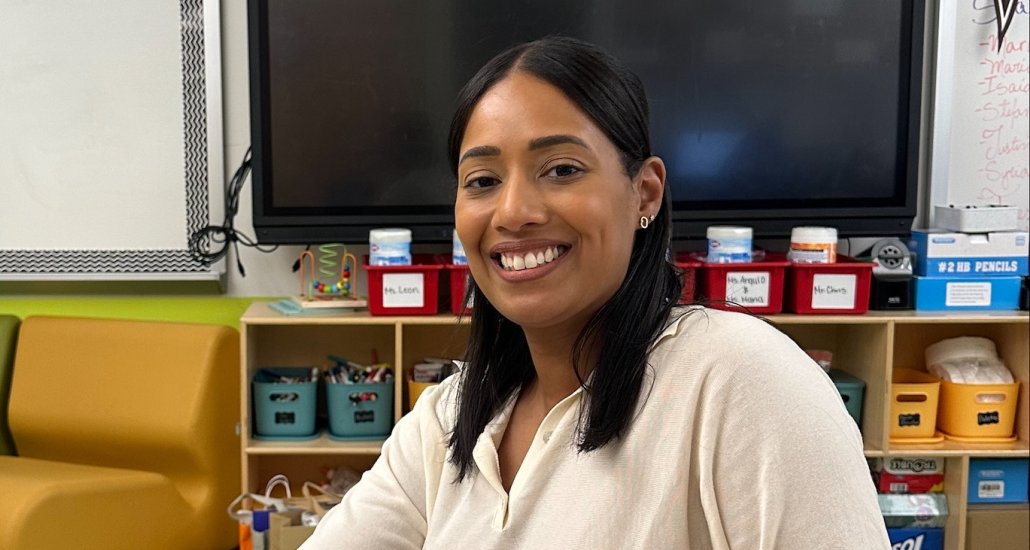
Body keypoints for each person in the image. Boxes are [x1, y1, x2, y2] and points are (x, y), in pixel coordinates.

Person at [302, 37, 887, 548]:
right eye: (482, 181)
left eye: (561, 169)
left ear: (646, 193)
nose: (513, 212)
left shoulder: (741, 381)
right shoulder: (448, 418)